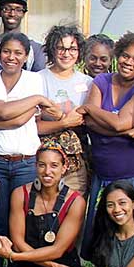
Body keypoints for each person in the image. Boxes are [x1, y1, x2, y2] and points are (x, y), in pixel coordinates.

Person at [78, 32, 134, 255]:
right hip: (102, 171)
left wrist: (92, 109)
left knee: (133, 227)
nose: (128, 63)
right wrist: (123, 130)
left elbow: (118, 122)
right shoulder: (102, 80)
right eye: (125, 56)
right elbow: (92, 123)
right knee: (101, 225)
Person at [0, 31, 58, 241]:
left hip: (26, 163)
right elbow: (3, 111)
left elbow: (21, 120)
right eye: (6, 52)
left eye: (18, 53)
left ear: (26, 56)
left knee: (23, 219)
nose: (11, 57)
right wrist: (36, 100)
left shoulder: (34, 80)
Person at [37, 24, 92, 194]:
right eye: (61, 48)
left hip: (76, 160)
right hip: (44, 159)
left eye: (72, 48)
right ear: (52, 50)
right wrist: (66, 121)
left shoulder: (89, 83)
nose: (66, 54)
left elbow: (86, 122)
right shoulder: (38, 79)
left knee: (73, 206)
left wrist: (59, 115)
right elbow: (35, 126)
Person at [0, 0, 47, 71]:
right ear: (0, 12)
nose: (12, 13)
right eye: (7, 9)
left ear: (24, 13)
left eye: (18, 10)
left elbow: (38, 78)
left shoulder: (36, 49)